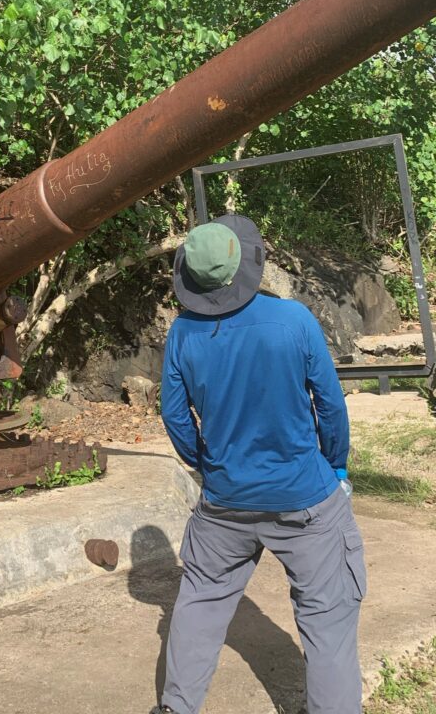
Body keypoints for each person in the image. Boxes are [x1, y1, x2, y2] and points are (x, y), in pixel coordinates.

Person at [152, 214, 366, 714]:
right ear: (247, 265)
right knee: (327, 618)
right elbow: (330, 406)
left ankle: (175, 707)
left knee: (199, 603)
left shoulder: (183, 334)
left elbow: (174, 414)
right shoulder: (293, 321)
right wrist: (335, 467)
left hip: (225, 502)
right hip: (306, 499)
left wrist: (206, 464)